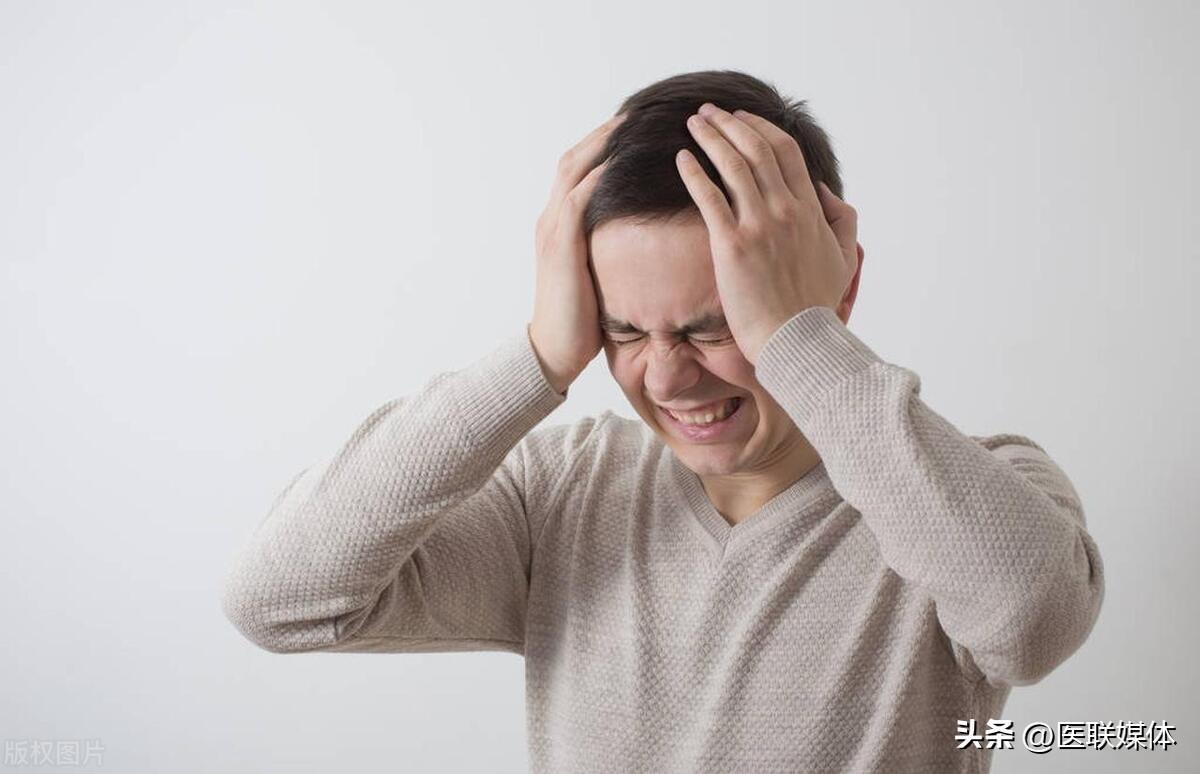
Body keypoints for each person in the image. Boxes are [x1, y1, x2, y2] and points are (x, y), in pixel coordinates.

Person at [221, 70, 1105, 773]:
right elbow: (277, 599)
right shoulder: (561, 492)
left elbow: (1031, 624)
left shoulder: (972, 491)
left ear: (835, 285)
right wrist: (538, 357)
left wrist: (804, 341)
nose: (669, 377)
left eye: (716, 327)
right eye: (623, 332)